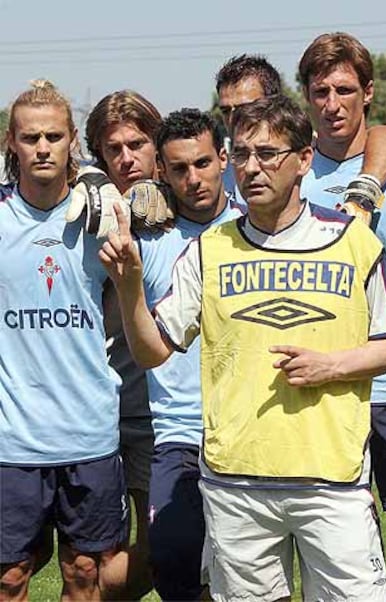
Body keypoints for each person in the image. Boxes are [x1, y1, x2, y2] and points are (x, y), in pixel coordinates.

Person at [99, 94, 386, 602]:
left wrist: (333, 365)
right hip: (236, 485)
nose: (252, 167)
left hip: (330, 483)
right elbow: (153, 350)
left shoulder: (351, 241)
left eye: (268, 154)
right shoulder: (209, 249)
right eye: (242, 154)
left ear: (305, 159)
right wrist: (131, 285)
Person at [0, 80, 128, 601]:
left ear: (72, 139)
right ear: (12, 142)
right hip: (14, 437)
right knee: (9, 577)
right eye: (31, 138)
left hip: (88, 432)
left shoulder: (103, 214)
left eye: (54, 135)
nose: (43, 147)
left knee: (83, 571)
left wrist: (102, 183)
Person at [298, 32, 386, 602]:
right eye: (319, 91)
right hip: (323, 383)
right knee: (333, 534)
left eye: (344, 89)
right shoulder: (286, 175)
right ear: (305, 97)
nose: (332, 103)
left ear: (368, 93)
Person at [139, 108, 242, 601]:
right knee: (173, 565)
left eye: (203, 163)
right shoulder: (147, 234)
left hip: (246, 427)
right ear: (161, 170)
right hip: (177, 432)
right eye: (178, 168)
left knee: (251, 580)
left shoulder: (254, 224)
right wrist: (118, 191)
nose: (193, 178)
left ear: (223, 158)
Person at [84, 89, 161, 600]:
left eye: (137, 144)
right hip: (100, 415)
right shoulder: (85, 214)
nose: (126, 158)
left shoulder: (189, 199)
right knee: (90, 562)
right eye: (113, 149)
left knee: (165, 554)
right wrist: (95, 186)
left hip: (166, 415)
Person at [215, 52, 386, 221]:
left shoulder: (293, 161)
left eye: (246, 107)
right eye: (226, 111)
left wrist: (364, 191)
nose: (234, 119)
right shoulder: (212, 172)